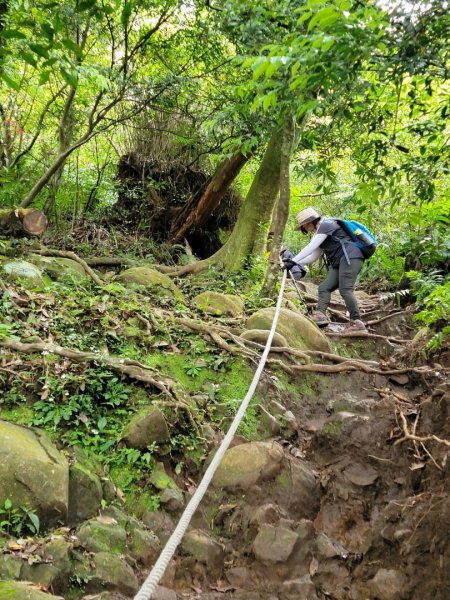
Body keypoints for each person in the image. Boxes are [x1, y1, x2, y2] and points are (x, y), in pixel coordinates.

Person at [281, 207, 366, 331]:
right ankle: (320, 315)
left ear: (309, 223)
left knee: (345, 289)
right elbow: (313, 256)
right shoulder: (321, 233)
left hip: (351, 257)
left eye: (304, 226)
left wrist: (293, 261)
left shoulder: (326, 225)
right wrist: (292, 263)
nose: (305, 229)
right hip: (341, 262)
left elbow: (311, 247)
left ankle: (357, 322)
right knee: (324, 288)